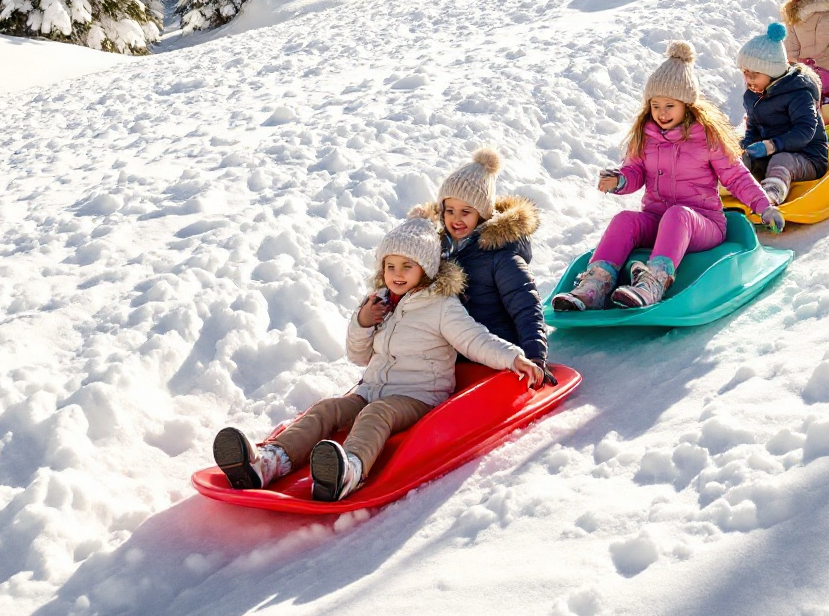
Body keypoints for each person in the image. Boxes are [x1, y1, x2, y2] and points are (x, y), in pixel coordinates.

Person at [212, 217, 543, 500]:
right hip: (372, 388)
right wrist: (363, 323)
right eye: (390, 266)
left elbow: (475, 340)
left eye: (407, 266)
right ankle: (268, 462)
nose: (397, 274)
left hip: (418, 396)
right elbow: (358, 356)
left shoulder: (442, 306)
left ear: (425, 269)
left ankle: (348, 471)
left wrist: (515, 357)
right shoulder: (380, 303)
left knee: (376, 414)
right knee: (328, 409)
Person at [550, 40, 777, 311]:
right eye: (655, 105)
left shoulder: (706, 137)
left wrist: (764, 207)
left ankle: (654, 282)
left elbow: (736, 177)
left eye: (669, 105)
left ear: (686, 105)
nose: (661, 113)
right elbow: (634, 171)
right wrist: (620, 180)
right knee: (624, 220)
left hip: (702, 224)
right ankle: (595, 285)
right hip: (658, 221)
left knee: (678, 214)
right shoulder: (646, 137)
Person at [426, 147, 548, 368]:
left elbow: (526, 307)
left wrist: (534, 356)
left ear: (482, 214)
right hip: (454, 357)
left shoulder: (500, 256)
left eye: (466, 212)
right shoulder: (440, 250)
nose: (456, 219)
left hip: (498, 354)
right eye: (450, 210)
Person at [737, 22, 829, 221]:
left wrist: (772, 146)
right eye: (745, 73)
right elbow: (753, 127)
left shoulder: (799, 93)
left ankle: (770, 197)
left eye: (754, 75)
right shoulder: (753, 95)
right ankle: (723, 189)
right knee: (740, 157)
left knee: (782, 161)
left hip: (808, 157)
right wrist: (747, 146)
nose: (748, 80)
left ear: (773, 73)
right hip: (771, 152)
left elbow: (805, 132)